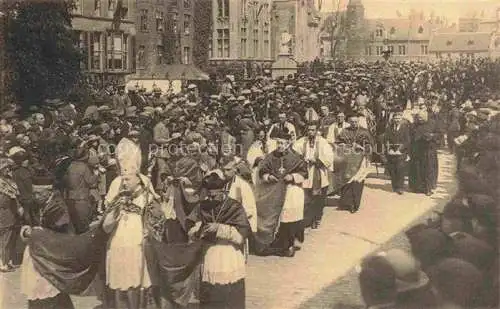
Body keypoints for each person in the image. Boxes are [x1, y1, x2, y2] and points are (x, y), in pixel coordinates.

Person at [102, 137, 158, 309]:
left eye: (128, 177)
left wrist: (150, 228)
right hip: (118, 236)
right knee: (120, 281)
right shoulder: (116, 183)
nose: (124, 180)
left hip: (137, 236)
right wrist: (115, 212)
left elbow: (155, 211)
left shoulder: (145, 182)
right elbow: (108, 214)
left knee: (136, 280)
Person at [187, 170, 251, 309]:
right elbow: (191, 229)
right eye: (209, 195)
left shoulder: (234, 206)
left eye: (214, 195)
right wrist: (199, 229)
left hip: (229, 255)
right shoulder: (202, 206)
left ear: (223, 192)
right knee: (211, 296)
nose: (211, 199)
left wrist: (220, 229)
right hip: (210, 254)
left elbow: (242, 234)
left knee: (231, 296)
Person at [254, 130, 308, 257]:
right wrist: (268, 177)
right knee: (275, 219)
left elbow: (304, 172)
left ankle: (289, 246)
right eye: (278, 143)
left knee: (289, 220)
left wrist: (293, 176)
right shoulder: (271, 157)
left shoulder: (295, 157)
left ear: (288, 143)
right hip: (274, 193)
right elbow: (262, 170)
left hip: (291, 192)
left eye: (283, 143)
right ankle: (274, 245)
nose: (280, 146)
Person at [293, 121, 334, 229]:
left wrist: (316, 161)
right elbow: (294, 154)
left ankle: (317, 218)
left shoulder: (323, 142)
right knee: (306, 198)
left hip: (318, 173)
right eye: (309, 130)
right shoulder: (301, 141)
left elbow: (329, 157)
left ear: (316, 131)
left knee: (318, 199)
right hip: (305, 173)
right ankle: (307, 219)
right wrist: (302, 160)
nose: (311, 132)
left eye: (313, 130)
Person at [335, 116, 373, 213]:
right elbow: (337, 142)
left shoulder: (364, 131)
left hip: (359, 159)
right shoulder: (344, 131)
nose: (354, 123)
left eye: (356, 122)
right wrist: (344, 145)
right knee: (347, 180)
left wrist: (361, 146)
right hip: (347, 159)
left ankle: (354, 204)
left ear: (359, 122)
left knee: (357, 181)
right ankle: (346, 203)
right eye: (352, 122)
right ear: (348, 122)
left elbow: (370, 145)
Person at [409, 112, 439, 196]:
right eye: (418, 118)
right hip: (417, 150)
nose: (420, 120)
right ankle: (418, 187)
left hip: (429, 150)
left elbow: (439, 134)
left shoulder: (433, 123)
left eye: (422, 118)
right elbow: (410, 136)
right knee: (417, 169)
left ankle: (428, 188)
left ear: (426, 117)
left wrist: (432, 136)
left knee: (428, 169)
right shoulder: (414, 125)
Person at [0, 158, 21, 272]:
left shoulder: (9, 180)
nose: (8, 169)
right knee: (5, 238)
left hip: (12, 212)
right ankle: (3, 262)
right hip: (4, 212)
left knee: (10, 237)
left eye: (8, 167)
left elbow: (15, 195)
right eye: (5, 168)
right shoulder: (2, 183)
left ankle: (7, 261)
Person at [384, 111, 411, 195]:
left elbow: (407, 141)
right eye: (395, 118)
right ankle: (394, 185)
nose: (397, 120)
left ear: (401, 119)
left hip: (401, 151)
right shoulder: (389, 128)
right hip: (391, 151)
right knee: (393, 169)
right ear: (393, 119)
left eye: (398, 118)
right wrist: (389, 149)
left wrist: (400, 149)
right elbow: (386, 139)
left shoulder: (405, 128)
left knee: (400, 169)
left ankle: (400, 187)